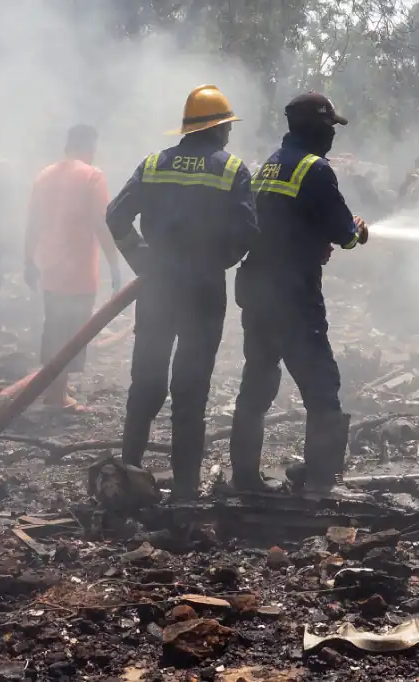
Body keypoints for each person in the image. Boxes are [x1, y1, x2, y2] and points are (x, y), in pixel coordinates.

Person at [106, 84, 257, 500]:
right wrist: (215, 262)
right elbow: (246, 230)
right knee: (190, 390)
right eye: (227, 126)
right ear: (219, 128)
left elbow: (116, 214)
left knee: (146, 383)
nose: (229, 134)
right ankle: (187, 492)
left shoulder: (153, 164)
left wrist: (141, 259)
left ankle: (126, 476)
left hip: (157, 286)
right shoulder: (231, 169)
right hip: (204, 290)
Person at [228, 92, 369, 497]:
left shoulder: (268, 166)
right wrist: (356, 229)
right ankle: (322, 483)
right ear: (319, 128)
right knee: (322, 385)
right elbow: (345, 233)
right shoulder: (316, 170)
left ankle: (245, 479)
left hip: (257, 291)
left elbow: (276, 224)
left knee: (257, 383)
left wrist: (311, 239)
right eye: (331, 127)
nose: (333, 136)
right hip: (293, 295)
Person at [25, 124, 119, 409]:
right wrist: (115, 264)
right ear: (90, 145)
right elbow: (102, 224)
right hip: (79, 272)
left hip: (51, 270)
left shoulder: (44, 176)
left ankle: (54, 391)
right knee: (73, 334)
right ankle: (57, 396)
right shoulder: (92, 175)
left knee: (54, 328)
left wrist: (28, 261)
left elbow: (33, 224)